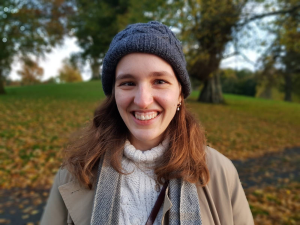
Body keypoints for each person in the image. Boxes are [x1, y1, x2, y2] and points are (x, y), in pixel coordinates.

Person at [41, 21, 254, 225]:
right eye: (128, 83)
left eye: (159, 81)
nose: (143, 101)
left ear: (180, 94)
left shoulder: (220, 172)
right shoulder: (74, 173)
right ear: (114, 94)